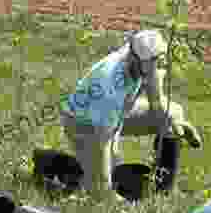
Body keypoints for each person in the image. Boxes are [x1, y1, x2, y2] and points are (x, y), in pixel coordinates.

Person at [59, 29, 202, 197]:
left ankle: (163, 187)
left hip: (117, 114)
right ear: (136, 59)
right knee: (101, 191)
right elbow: (103, 138)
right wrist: (107, 185)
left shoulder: (142, 60)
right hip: (84, 124)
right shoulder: (109, 85)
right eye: (155, 61)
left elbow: (157, 106)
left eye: (160, 58)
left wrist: (176, 124)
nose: (160, 63)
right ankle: (62, 173)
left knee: (175, 111)